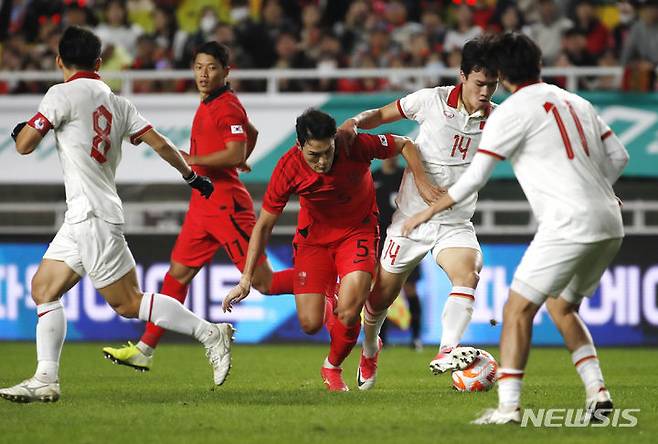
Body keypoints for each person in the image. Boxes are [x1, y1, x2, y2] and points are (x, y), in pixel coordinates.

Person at [402, 32, 629, 424]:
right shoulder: (576, 100)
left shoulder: (508, 113)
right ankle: (598, 393)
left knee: (516, 310)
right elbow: (619, 156)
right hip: (610, 219)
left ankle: (508, 408)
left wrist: (425, 212)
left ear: (503, 73)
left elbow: (474, 179)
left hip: (567, 222)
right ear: (539, 64)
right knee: (561, 307)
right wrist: (598, 189)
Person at [0, 27, 236, 404]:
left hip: (92, 214)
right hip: (84, 215)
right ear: (98, 63)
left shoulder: (59, 94)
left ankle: (210, 332)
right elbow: (159, 141)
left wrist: (21, 131)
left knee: (128, 303)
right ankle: (46, 378)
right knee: (43, 288)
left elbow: (26, 145)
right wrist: (191, 176)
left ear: (59, 61)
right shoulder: (118, 102)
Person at [102, 41, 296, 372]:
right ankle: (145, 349)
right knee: (177, 274)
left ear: (226, 71)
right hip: (203, 205)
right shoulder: (211, 102)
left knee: (263, 282)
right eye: (198, 67)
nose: (204, 75)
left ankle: (330, 281)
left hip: (226, 207)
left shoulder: (226, 106)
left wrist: (199, 160)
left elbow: (235, 152)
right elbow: (251, 133)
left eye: (212, 68)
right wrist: (240, 158)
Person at [222, 109, 433, 391]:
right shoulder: (287, 168)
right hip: (314, 241)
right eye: (314, 155)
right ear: (299, 147)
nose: (322, 162)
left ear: (334, 140)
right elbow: (264, 225)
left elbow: (405, 143)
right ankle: (331, 292)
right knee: (310, 324)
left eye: (327, 152)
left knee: (348, 312)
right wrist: (246, 278)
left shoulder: (353, 144)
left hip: (357, 231)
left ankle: (333, 365)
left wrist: (422, 182)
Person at [337, 35, 499, 391]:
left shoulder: (499, 121)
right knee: (379, 300)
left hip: (455, 221)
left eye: (493, 83)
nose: (486, 91)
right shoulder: (432, 100)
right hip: (410, 221)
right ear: (462, 76)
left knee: (467, 272)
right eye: (480, 83)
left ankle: (448, 350)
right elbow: (381, 114)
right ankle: (369, 348)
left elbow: (539, 159)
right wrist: (355, 121)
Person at [372, 156, 423, 351]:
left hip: (405, 237)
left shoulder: (406, 176)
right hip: (379, 239)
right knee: (381, 288)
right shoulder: (372, 177)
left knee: (410, 288)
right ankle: (381, 338)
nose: (391, 157)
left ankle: (416, 337)